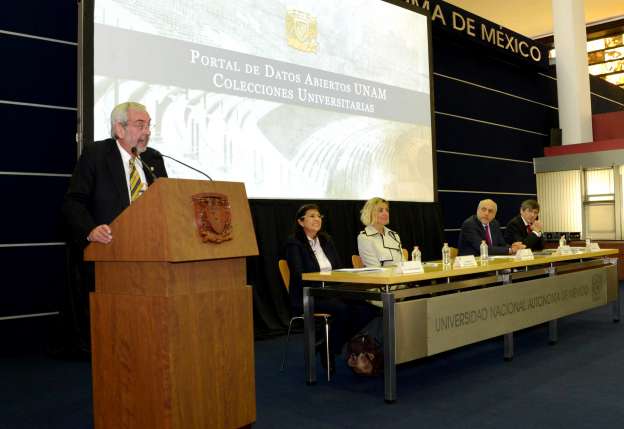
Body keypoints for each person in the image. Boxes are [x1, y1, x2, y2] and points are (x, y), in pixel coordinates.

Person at [59, 101, 168, 355]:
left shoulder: (153, 159)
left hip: (151, 250)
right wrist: (91, 229)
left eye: (149, 125)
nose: (147, 131)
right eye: (140, 125)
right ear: (118, 128)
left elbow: (166, 200)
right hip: (110, 251)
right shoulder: (96, 155)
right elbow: (73, 203)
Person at [285, 204, 377, 370]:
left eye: (319, 216)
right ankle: (329, 346)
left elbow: (338, 268)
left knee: (369, 309)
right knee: (343, 309)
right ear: (300, 221)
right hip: (309, 294)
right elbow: (300, 276)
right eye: (312, 216)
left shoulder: (326, 240)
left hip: (332, 292)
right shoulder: (294, 243)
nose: (317, 219)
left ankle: (328, 344)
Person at [458, 199, 525, 256]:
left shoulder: (494, 224)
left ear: (494, 215)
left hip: (490, 263)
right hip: (471, 266)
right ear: (477, 210)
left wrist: (514, 247)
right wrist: (511, 250)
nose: (486, 213)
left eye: (490, 211)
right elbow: (484, 249)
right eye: (483, 209)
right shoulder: (469, 224)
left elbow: (502, 245)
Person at [357, 197, 403, 266]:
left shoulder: (394, 235)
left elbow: (403, 263)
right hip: (380, 276)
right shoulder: (364, 238)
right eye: (380, 210)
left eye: (387, 210)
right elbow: (374, 268)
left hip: (399, 275)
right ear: (370, 213)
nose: (385, 213)